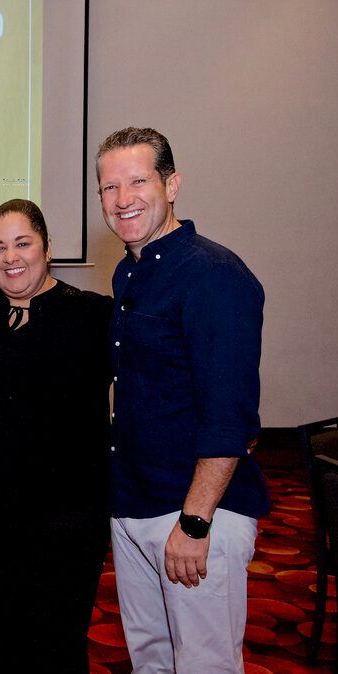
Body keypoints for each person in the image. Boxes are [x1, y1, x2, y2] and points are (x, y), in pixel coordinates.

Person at [96, 127, 269, 672]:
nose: (122, 199)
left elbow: (228, 417)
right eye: (109, 187)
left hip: (193, 515)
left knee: (203, 664)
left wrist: (195, 523)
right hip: (135, 505)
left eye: (138, 182)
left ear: (172, 186)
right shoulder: (129, 272)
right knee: (151, 661)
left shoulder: (213, 275)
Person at [0, 199, 112, 671]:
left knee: (56, 647)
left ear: (47, 247)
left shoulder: (94, 315)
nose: (11, 257)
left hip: (66, 521)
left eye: (23, 243)